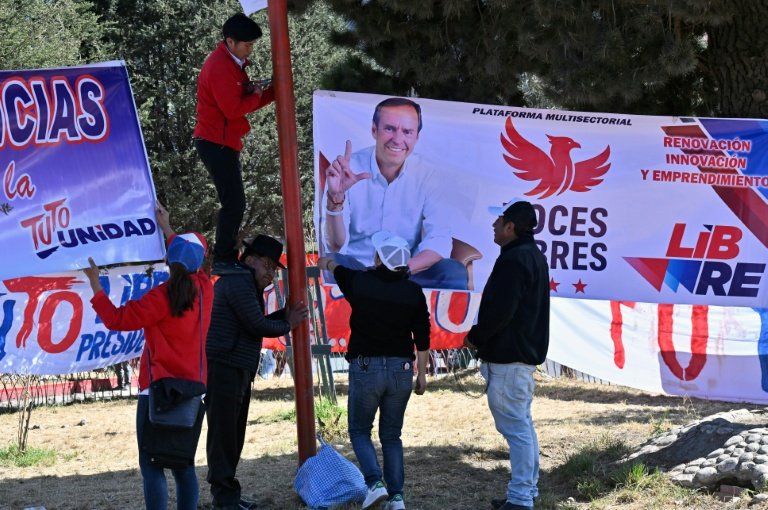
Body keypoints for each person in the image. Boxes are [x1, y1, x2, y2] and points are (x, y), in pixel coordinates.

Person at [84, 203, 213, 510]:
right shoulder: (206, 290)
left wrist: (95, 285)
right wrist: (167, 229)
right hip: (193, 390)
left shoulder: (161, 297)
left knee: (151, 463)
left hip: (156, 390)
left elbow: (116, 319)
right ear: (200, 264)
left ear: (168, 260)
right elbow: (185, 255)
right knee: (183, 464)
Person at [318, 230, 430, 510]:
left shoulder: (361, 282)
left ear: (380, 259)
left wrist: (326, 262)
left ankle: (374, 483)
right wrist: (422, 373)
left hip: (366, 366)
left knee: (359, 430)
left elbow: (335, 268)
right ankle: (397, 497)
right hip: (402, 369)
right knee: (391, 435)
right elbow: (423, 336)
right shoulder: (413, 292)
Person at [205, 234, 308, 510]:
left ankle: (227, 495)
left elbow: (256, 322)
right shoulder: (239, 282)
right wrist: (289, 322)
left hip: (234, 368)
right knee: (225, 437)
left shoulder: (243, 281)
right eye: (268, 266)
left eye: (274, 268)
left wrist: (284, 316)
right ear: (250, 260)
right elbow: (257, 326)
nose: (271, 274)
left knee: (232, 435)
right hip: (226, 368)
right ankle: (224, 497)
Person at [322, 97, 468, 290]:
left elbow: (438, 240)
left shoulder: (428, 176)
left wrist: (403, 270)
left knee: (453, 272)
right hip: (360, 272)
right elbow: (335, 246)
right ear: (374, 130)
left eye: (407, 132)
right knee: (333, 262)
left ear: (417, 137)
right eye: (390, 129)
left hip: (408, 273)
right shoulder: (347, 171)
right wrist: (335, 200)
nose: (398, 139)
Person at [463, 200, 550, 510]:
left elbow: (502, 310)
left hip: (510, 358)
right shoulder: (530, 255)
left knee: (517, 429)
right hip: (516, 357)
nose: (494, 225)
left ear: (510, 226)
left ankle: (522, 498)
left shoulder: (516, 259)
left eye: (498, 220)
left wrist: (475, 337)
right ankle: (526, 492)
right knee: (521, 426)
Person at [193, 13, 275, 273]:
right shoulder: (220, 66)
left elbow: (243, 103)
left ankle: (225, 256)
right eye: (247, 44)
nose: (251, 49)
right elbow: (233, 109)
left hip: (222, 141)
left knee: (235, 203)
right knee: (234, 204)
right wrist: (260, 94)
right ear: (230, 41)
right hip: (215, 142)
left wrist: (271, 93)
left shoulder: (232, 63)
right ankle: (223, 258)